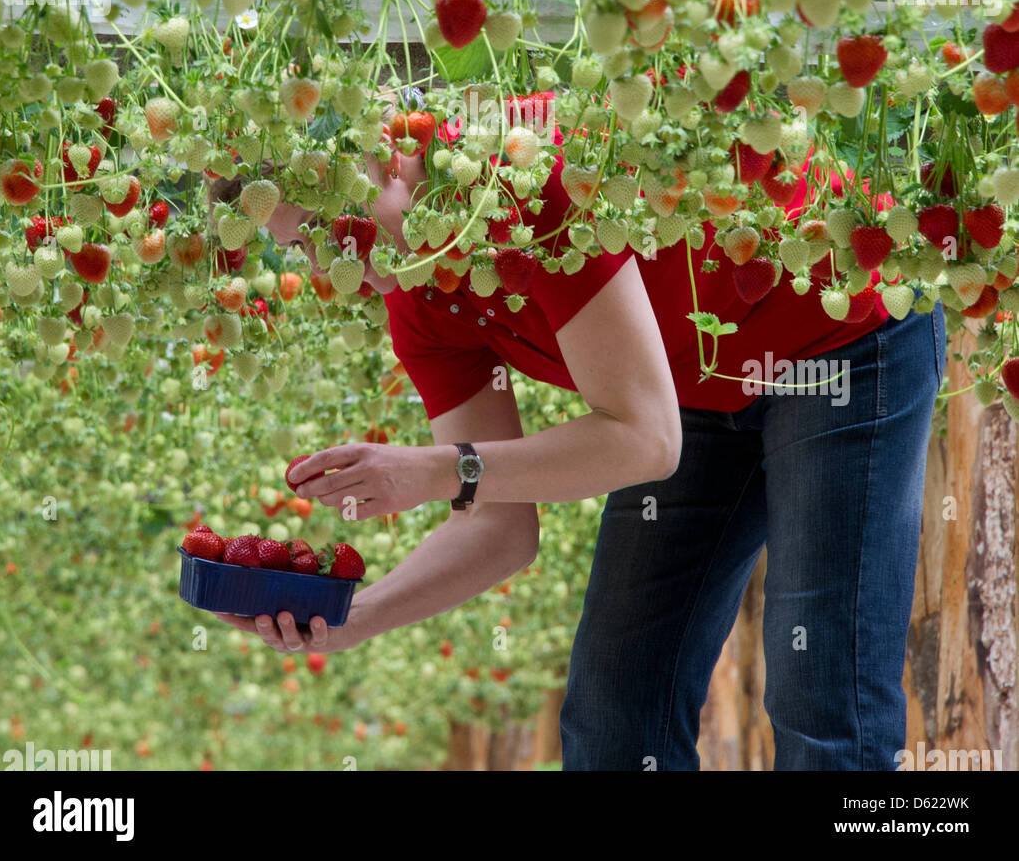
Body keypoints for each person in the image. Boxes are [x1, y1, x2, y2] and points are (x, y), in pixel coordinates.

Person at [208, 90, 946, 771]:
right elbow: (498, 529)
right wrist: (354, 617)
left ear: (381, 164)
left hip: (839, 335)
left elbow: (646, 443)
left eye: (318, 232)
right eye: (296, 247)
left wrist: (436, 471)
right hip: (690, 395)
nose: (320, 265)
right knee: (612, 719)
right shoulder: (422, 309)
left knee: (824, 702)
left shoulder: (522, 179)